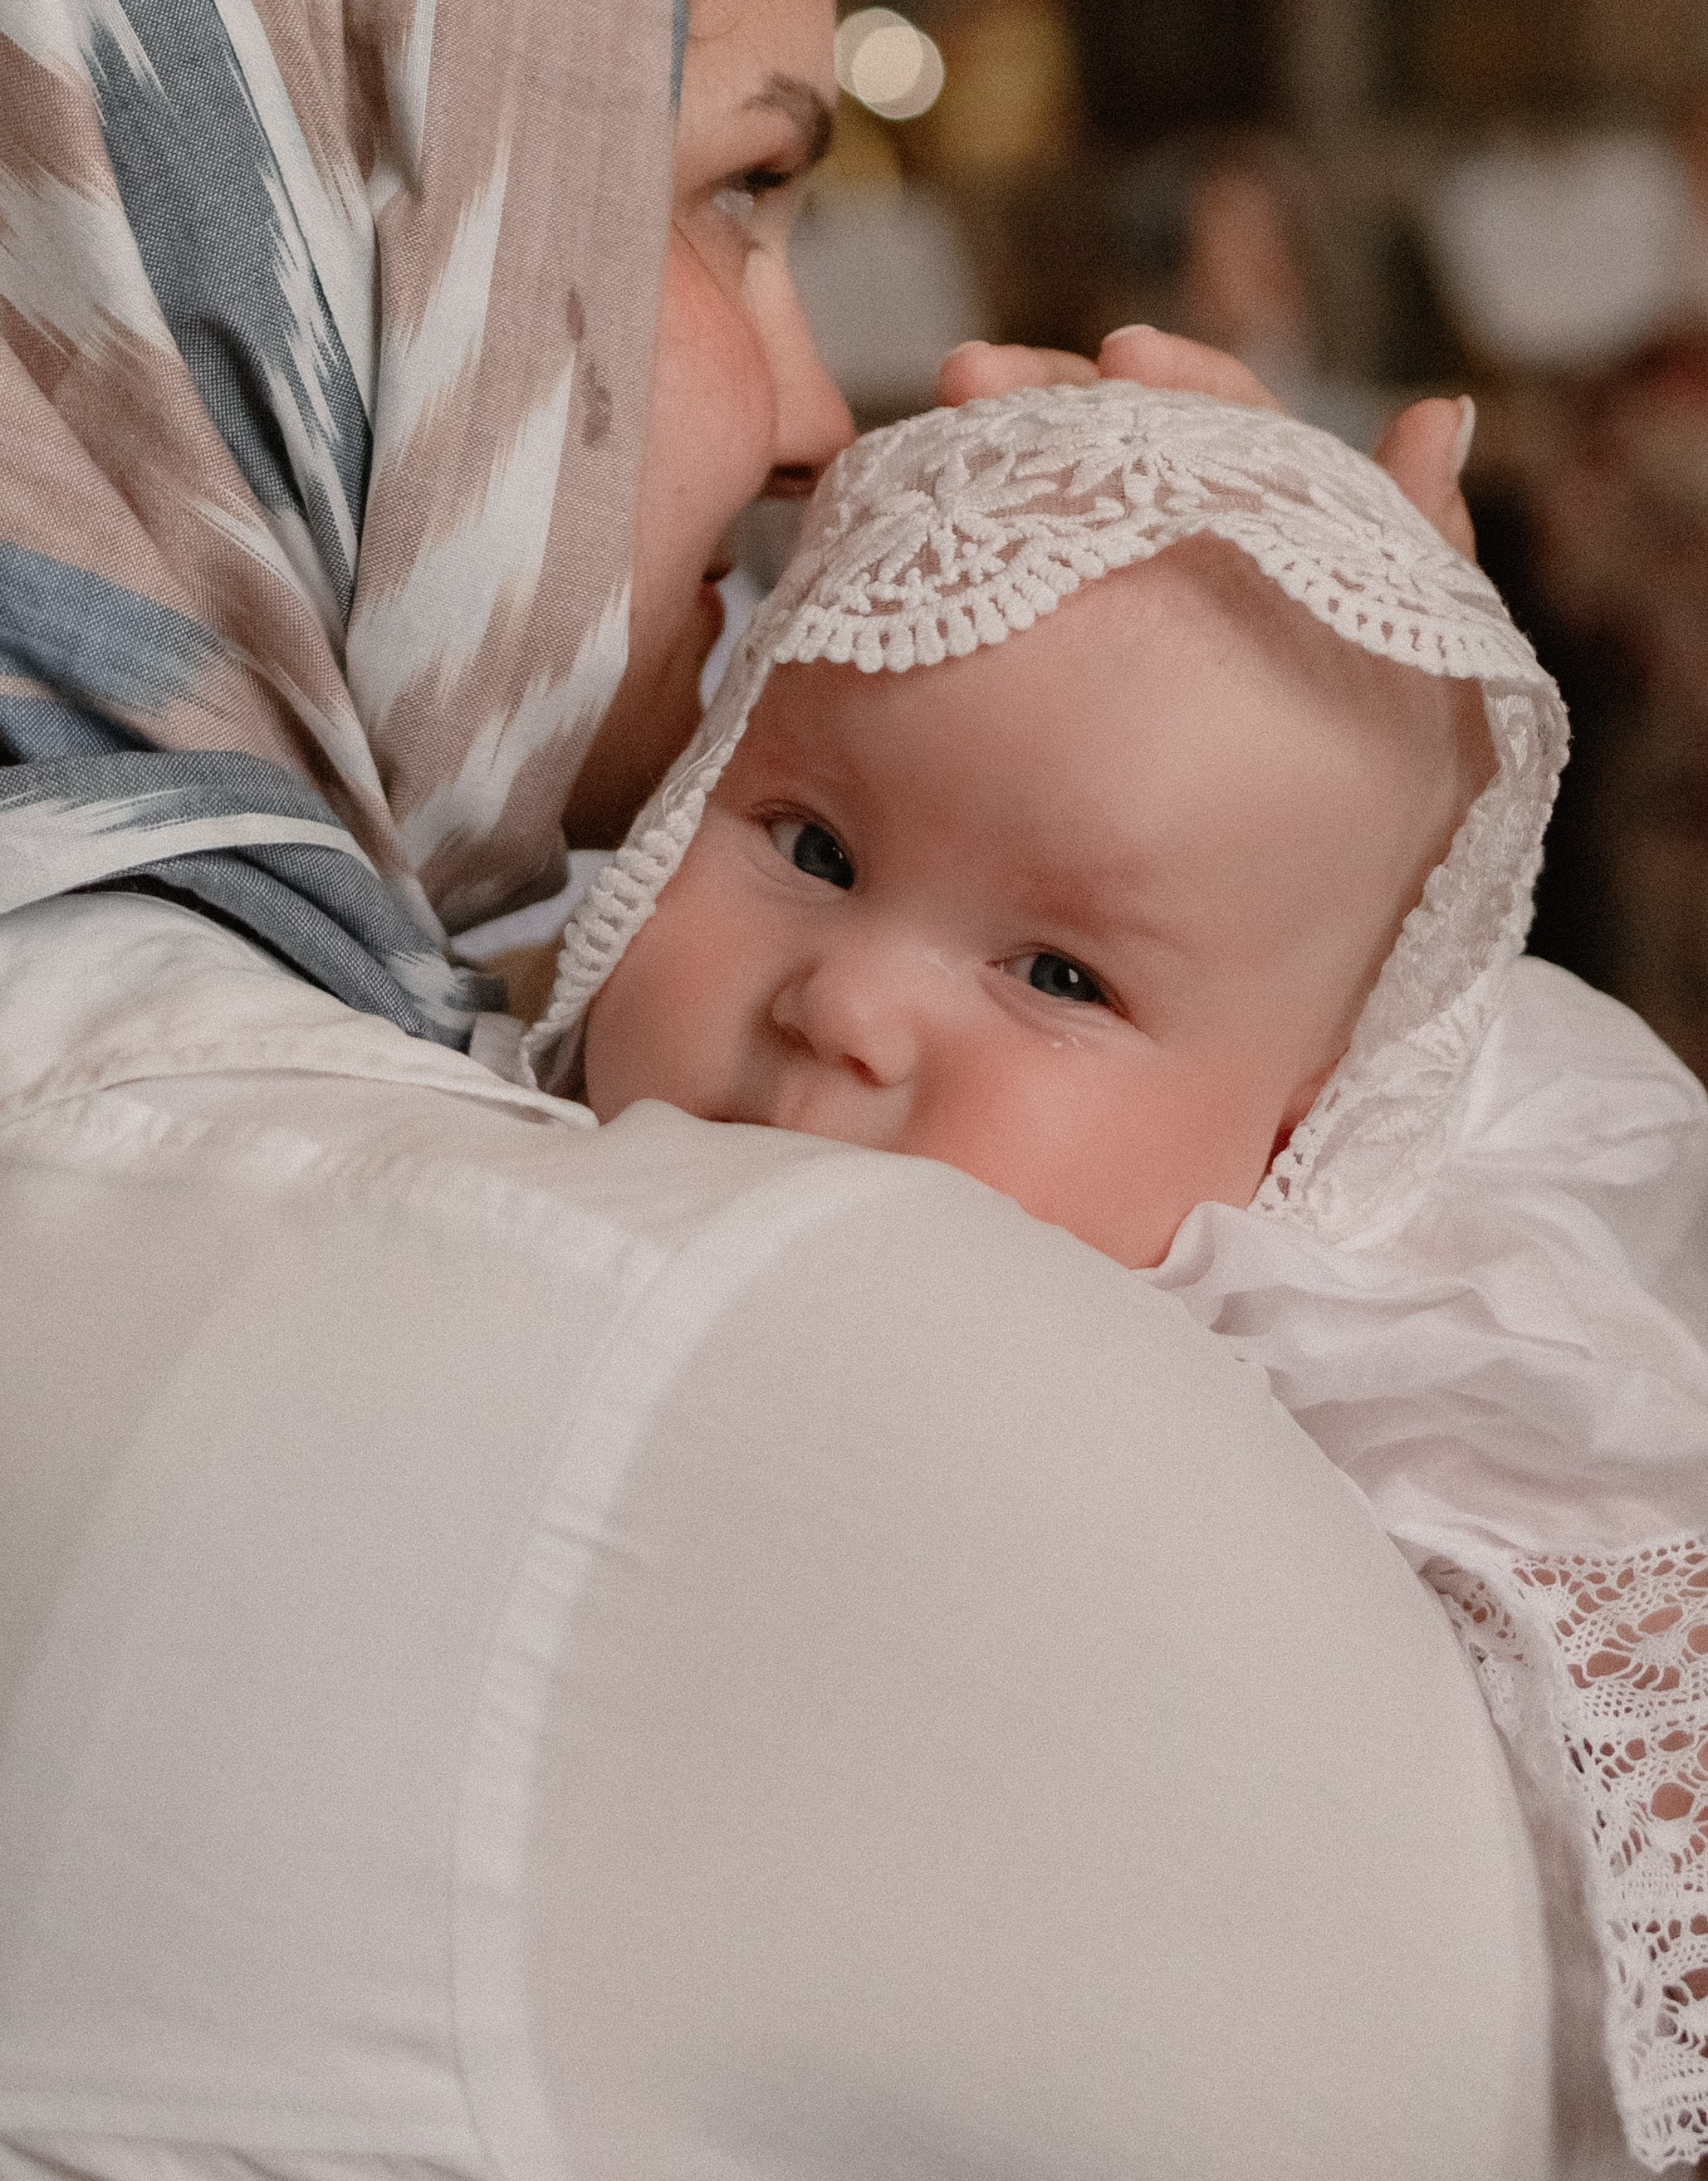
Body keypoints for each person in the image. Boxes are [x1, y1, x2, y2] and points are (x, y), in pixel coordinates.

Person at [1, 0, 1558, 2177]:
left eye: (1055, 958)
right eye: (738, 191)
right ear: (298, 180)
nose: (824, 414)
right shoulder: (818, 1375)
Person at [527, 379, 1708, 2172]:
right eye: (812, 847)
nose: (843, 1006)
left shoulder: (1371, 1382)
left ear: (1305, 1127)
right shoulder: (491, 1123)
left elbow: (1633, 1774)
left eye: (1059, 976)